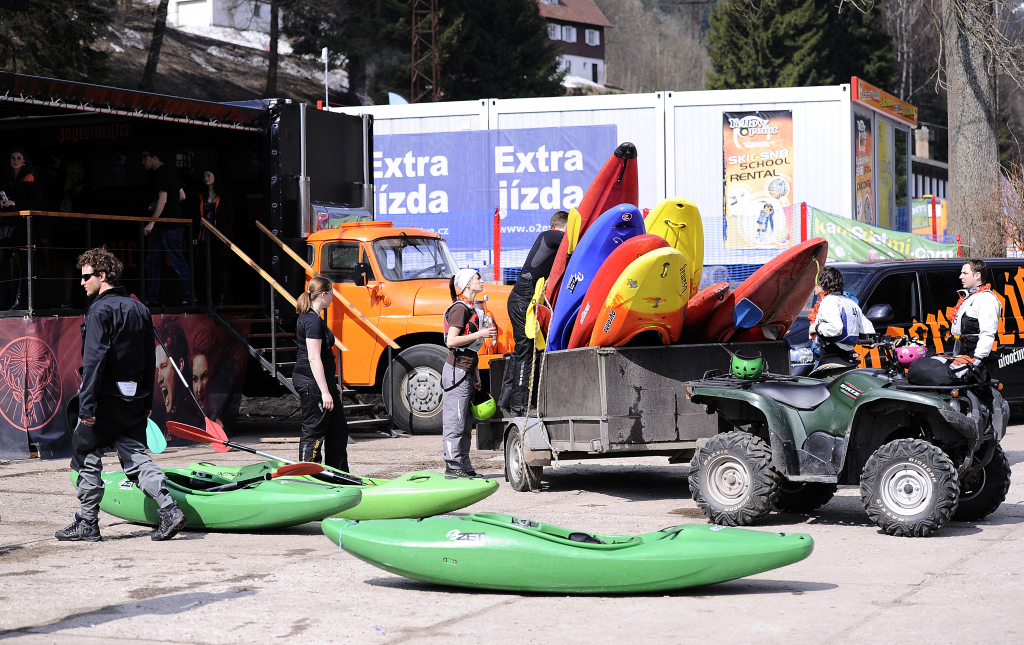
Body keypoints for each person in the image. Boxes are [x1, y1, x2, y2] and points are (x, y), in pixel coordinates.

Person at [57, 247, 187, 542]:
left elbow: (94, 362)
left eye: (86, 276)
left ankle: (88, 524)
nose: (82, 282)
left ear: (102, 276)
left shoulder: (99, 311)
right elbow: (147, 359)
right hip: (133, 399)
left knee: (88, 455)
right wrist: (147, 402)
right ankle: (169, 510)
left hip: (103, 399)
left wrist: (87, 406)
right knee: (137, 458)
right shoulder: (139, 309)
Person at [497, 211, 567, 416]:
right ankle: (520, 405)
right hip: (522, 299)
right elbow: (576, 240)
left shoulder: (551, 240)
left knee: (521, 351)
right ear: (562, 226)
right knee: (526, 351)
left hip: (522, 298)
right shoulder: (550, 235)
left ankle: (507, 399)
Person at [442, 268, 496, 477]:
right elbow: (451, 341)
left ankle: (464, 466)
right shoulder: (460, 308)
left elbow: (470, 348)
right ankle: (453, 467)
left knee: (465, 425)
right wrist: (482, 333)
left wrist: (475, 373)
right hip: (456, 372)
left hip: (466, 369)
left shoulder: (472, 307)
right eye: (477, 278)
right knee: (455, 423)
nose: (481, 281)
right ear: (466, 284)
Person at [293, 276, 349, 472]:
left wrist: (332, 386)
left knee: (338, 430)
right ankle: (307, 475)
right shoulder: (311, 321)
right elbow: (314, 358)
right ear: (324, 294)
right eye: (332, 293)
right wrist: (325, 392)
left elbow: (324, 358)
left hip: (322, 383)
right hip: (312, 384)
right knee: (314, 431)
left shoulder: (316, 318)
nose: (333, 297)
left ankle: (338, 474)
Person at [141, 149, 191, 307]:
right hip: (167, 226)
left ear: (155, 157)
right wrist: (156, 206)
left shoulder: (161, 173)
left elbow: (164, 199)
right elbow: (181, 196)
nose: (143, 162)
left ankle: (189, 296)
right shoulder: (171, 172)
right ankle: (153, 297)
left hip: (169, 226)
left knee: (176, 262)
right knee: (152, 261)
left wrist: (151, 222)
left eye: (145, 158)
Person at [0, 148, 43, 309]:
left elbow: (37, 205)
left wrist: (16, 204)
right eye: (13, 158)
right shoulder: (7, 179)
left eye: (18, 158)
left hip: (23, 228)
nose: (15, 161)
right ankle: (10, 300)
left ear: (24, 160)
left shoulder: (30, 179)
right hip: (7, 228)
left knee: (26, 266)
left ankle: (22, 301)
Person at [808, 266, 874, 368]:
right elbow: (868, 330)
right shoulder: (850, 303)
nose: (813, 286)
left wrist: (816, 327)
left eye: (816, 282)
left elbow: (836, 328)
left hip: (831, 363)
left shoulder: (829, 301)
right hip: (848, 361)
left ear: (823, 283)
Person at [192, 169, 233, 306]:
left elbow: (230, 216)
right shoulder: (200, 195)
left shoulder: (224, 194)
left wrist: (226, 236)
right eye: (204, 176)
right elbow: (195, 216)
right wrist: (194, 234)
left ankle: (223, 297)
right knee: (204, 267)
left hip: (220, 236)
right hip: (203, 236)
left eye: (209, 175)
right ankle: (206, 297)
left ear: (215, 176)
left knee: (222, 267)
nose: (206, 178)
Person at [951, 259, 1001, 360]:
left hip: (975, 356)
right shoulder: (971, 296)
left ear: (977, 275)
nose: (961, 276)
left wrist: (977, 359)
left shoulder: (986, 298)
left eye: (965, 273)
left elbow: (988, 332)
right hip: (962, 353)